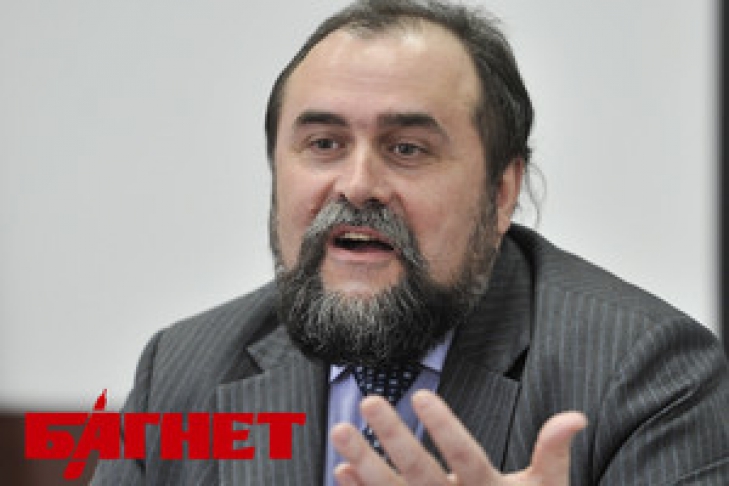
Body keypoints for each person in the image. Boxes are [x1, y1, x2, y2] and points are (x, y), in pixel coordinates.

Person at [91, 0, 729, 484]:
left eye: (407, 149)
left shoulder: (647, 374)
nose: (358, 184)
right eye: (324, 144)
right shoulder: (183, 369)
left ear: (501, 191)